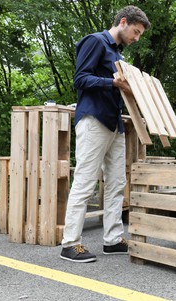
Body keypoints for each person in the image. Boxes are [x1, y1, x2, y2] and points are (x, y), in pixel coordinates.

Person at [60, 6, 151, 263]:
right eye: (135, 32)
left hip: (115, 124)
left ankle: (112, 240)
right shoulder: (95, 41)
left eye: (139, 34)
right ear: (123, 22)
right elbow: (80, 80)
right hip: (93, 119)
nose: (136, 38)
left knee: (116, 183)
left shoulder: (118, 55)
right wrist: (112, 82)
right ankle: (70, 244)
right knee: (85, 182)